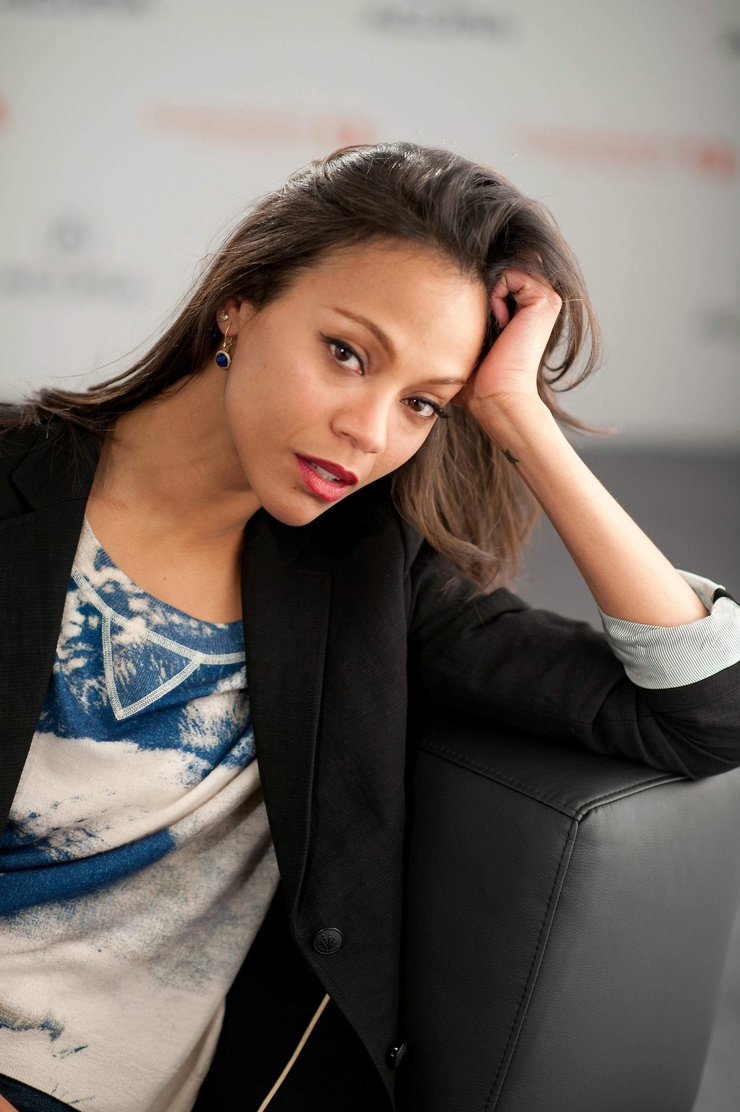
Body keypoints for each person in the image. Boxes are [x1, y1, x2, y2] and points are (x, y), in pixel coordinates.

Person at [0, 141, 738, 1112]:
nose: (371, 431)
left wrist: (517, 416)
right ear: (240, 301)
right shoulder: (17, 483)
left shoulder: (373, 584)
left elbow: (710, 711)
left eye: (423, 402)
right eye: (346, 353)